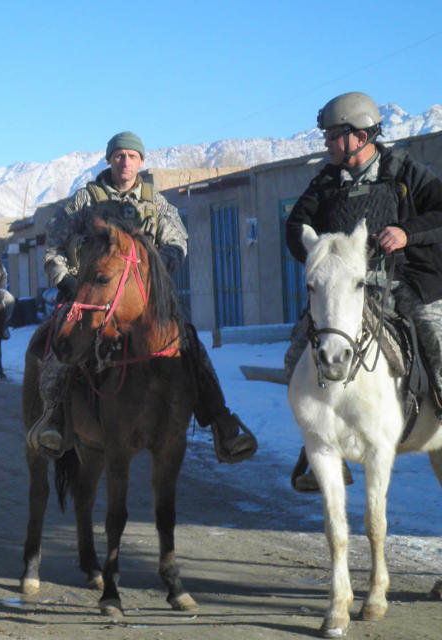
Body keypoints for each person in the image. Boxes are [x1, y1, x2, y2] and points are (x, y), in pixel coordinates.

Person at [25, 131, 258, 463]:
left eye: (132, 156)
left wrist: (157, 274)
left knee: (189, 342)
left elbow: (178, 241)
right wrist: (68, 281)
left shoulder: (155, 202)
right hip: (95, 297)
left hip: (144, 303)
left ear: (141, 162)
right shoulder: (85, 200)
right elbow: (54, 245)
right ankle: (54, 418)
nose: (125, 162)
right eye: (119, 155)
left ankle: (222, 424)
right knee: (62, 345)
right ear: (109, 160)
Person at [285, 91, 442, 492]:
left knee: (433, 338)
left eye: (332, 135)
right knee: (296, 353)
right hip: (347, 291)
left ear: (358, 135)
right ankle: (318, 447)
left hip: (406, 280)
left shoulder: (403, 171)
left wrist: (407, 232)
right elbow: (294, 227)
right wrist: (324, 251)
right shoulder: (325, 181)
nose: (325, 143)